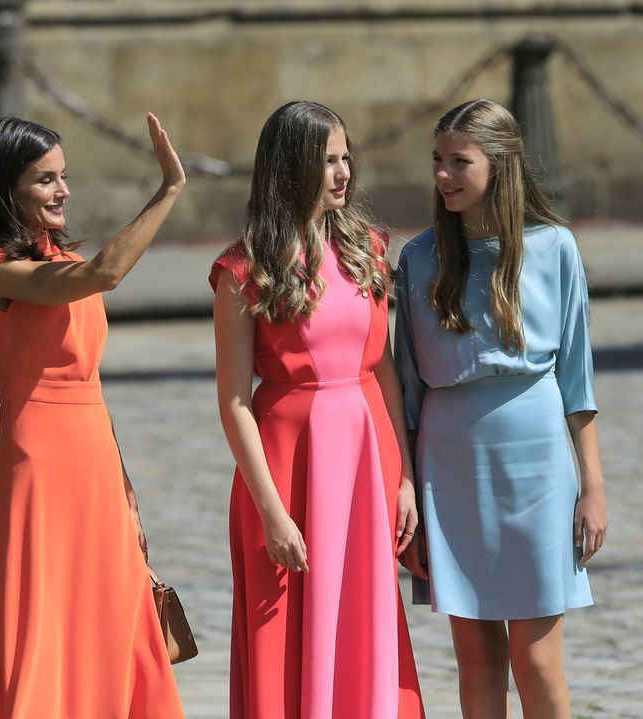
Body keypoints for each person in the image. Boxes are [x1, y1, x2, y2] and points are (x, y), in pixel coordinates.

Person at [0, 114, 186, 718]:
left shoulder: (59, 255)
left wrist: (124, 483)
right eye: (44, 180)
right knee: (45, 629)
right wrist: (168, 190)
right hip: (39, 469)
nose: (62, 191)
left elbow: (91, 382)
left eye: (64, 177)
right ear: (6, 190)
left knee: (113, 616)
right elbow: (104, 274)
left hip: (95, 464)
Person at [394, 98, 609, 719]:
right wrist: (407, 485)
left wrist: (592, 487)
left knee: (537, 658)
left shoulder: (555, 248)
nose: (442, 175)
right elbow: (406, 388)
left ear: (501, 164)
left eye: (459, 161)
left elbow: (578, 381)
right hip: (449, 464)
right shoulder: (419, 258)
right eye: (437, 160)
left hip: (538, 462)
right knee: (477, 657)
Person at [211, 100, 425, 719]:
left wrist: (405, 474)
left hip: (366, 455)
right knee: (282, 629)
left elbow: (383, 366)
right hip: (284, 466)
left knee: (365, 616)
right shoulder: (242, 270)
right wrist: (272, 513)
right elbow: (232, 401)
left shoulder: (367, 248)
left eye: (345, 158)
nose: (342, 173)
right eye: (326, 161)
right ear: (289, 169)